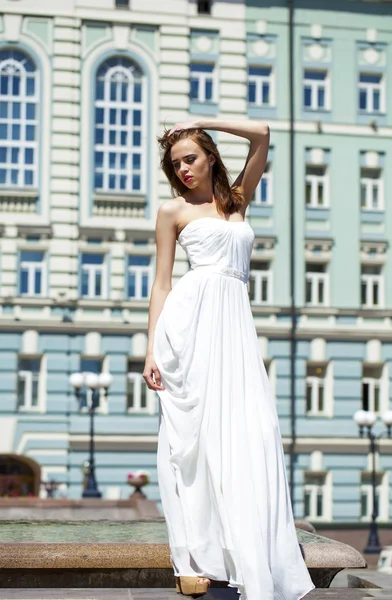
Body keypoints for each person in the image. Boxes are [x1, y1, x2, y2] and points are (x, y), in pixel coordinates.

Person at [143, 118, 316, 600]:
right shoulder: (171, 211)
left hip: (235, 329)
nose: (183, 170)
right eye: (175, 164)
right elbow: (161, 284)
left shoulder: (236, 199)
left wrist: (202, 123)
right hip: (191, 327)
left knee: (252, 433)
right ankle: (199, 558)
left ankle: (247, 551)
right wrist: (150, 347)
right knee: (196, 442)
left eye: (191, 158)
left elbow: (261, 134)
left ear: (211, 156)